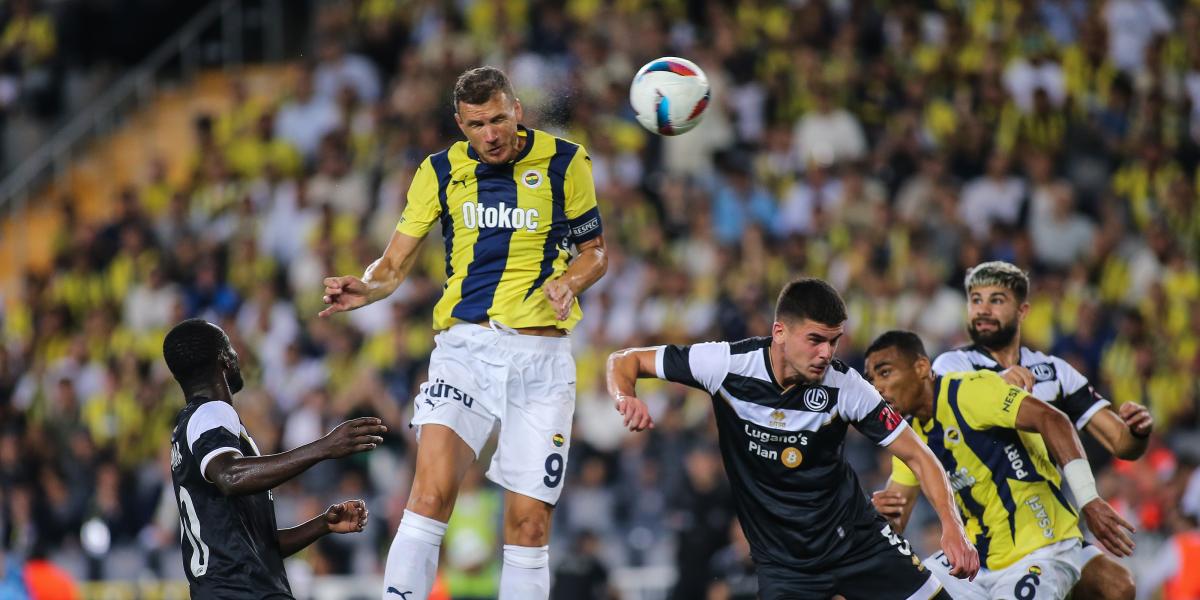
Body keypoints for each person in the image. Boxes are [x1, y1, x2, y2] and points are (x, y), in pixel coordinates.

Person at [319, 65, 607, 600]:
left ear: (516, 110)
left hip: (540, 358)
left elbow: (596, 254)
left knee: (527, 526)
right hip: (465, 352)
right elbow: (394, 262)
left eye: (499, 119)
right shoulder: (438, 171)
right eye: (477, 124)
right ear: (460, 123)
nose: (491, 134)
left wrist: (571, 280)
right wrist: (366, 286)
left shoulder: (567, 162)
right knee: (428, 495)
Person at [606, 278, 978, 599]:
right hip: (786, 567)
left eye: (833, 342)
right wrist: (626, 397)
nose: (825, 354)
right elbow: (624, 361)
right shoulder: (724, 365)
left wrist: (953, 527)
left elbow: (919, 455)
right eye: (815, 340)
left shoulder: (846, 386)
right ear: (779, 332)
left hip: (858, 543)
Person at [923, 261, 1151, 599]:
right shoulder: (952, 366)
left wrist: (1138, 429)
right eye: (975, 299)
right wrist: (997, 384)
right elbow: (955, 411)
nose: (982, 310)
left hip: (1046, 526)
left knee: (1118, 587)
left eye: (996, 300)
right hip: (983, 532)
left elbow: (1120, 442)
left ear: (1023, 310)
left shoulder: (1054, 372)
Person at [864, 330, 1136, 599]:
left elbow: (1053, 420)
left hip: (1041, 547)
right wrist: (881, 516)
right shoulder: (909, 436)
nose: (877, 387)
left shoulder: (967, 391)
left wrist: (1089, 498)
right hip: (976, 560)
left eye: (885, 373)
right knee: (908, 590)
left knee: (1118, 587)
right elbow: (896, 515)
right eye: (871, 379)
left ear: (922, 367)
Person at [163, 318, 387, 599]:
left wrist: (322, 525)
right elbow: (230, 476)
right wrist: (325, 447)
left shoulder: (188, 428)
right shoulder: (212, 412)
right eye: (231, 349)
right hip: (241, 592)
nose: (236, 356)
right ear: (224, 360)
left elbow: (258, 546)